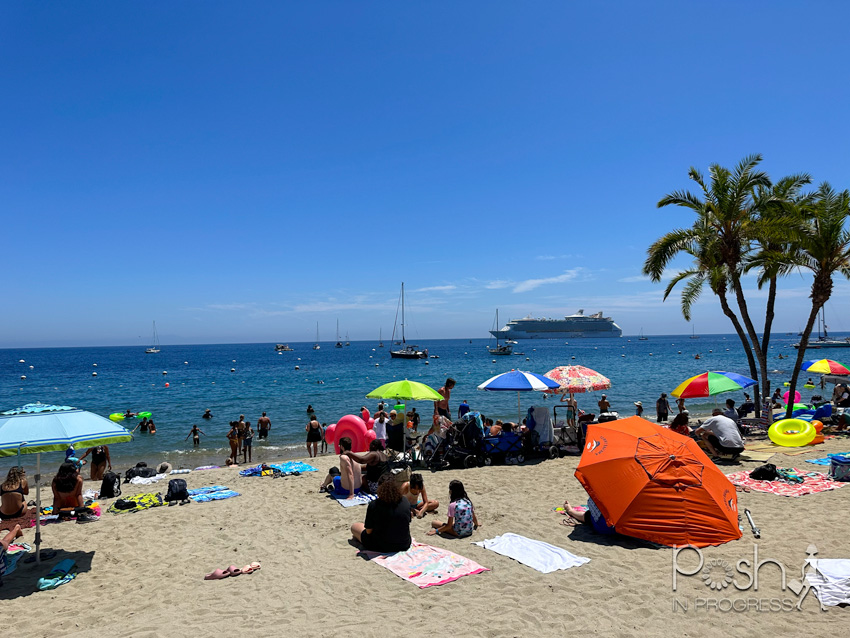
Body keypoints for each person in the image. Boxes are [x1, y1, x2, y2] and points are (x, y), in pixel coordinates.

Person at [350, 474, 412, 552]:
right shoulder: (405, 501)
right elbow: (408, 521)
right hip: (403, 544)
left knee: (355, 527)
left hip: (380, 546)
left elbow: (368, 531)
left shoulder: (374, 505)